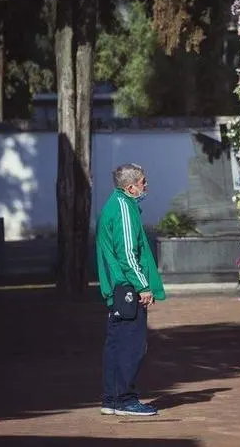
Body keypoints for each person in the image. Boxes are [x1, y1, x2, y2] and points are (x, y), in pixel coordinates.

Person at [96, 163, 166, 416]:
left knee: (116, 343)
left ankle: (113, 399)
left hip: (119, 286)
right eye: (143, 182)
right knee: (131, 345)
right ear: (131, 187)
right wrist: (142, 285)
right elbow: (127, 253)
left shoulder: (118, 204)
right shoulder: (123, 208)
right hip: (126, 286)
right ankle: (124, 399)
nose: (146, 186)